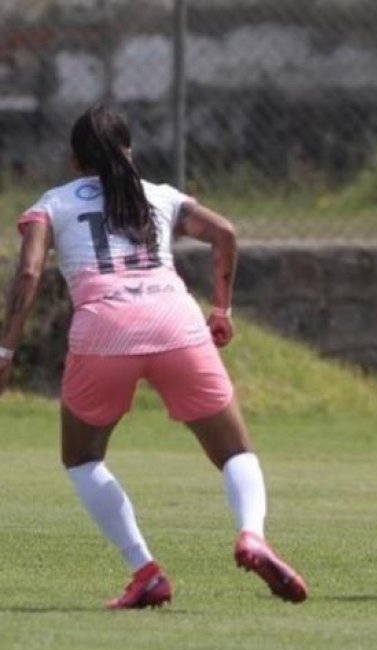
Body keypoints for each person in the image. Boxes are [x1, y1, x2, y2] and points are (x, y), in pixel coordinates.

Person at [0, 105, 308, 609]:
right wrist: (222, 309)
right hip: (174, 320)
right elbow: (225, 233)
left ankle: (145, 570)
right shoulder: (160, 195)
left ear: (74, 159)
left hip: (104, 328)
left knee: (82, 459)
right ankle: (252, 534)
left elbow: (29, 274)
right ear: (129, 151)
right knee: (235, 451)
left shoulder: (52, 203)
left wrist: (6, 350)